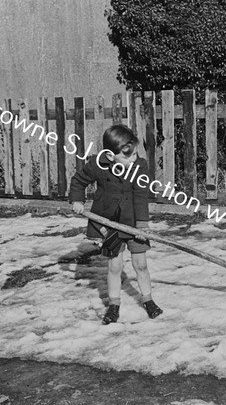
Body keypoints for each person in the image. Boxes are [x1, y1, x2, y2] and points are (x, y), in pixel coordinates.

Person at [69, 124, 163, 325]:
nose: (133, 160)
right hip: (109, 224)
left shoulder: (140, 166)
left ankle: (148, 299)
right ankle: (114, 305)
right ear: (111, 156)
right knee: (115, 266)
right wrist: (77, 200)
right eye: (127, 157)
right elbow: (79, 181)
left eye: (135, 154)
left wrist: (142, 226)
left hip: (134, 222)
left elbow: (140, 195)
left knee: (141, 264)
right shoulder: (98, 164)